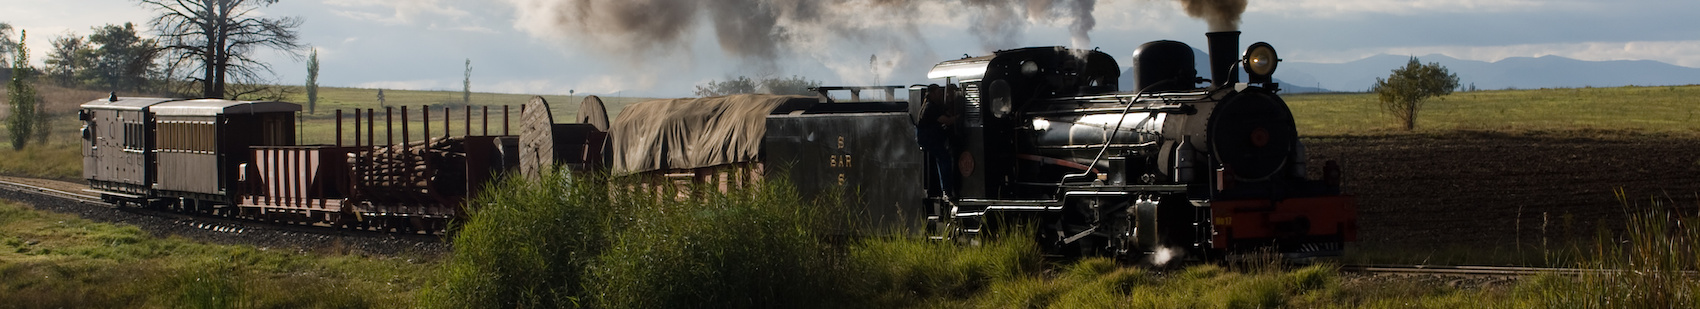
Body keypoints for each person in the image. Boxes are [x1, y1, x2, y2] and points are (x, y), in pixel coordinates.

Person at [916, 84, 959, 198]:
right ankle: (947, 189)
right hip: (930, 139)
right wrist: (958, 117)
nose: (941, 95)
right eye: (938, 93)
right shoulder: (931, 108)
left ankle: (946, 188)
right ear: (932, 94)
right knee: (945, 159)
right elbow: (947, 121)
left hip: (931, 138)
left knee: (943, 159)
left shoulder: (932, 106)